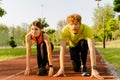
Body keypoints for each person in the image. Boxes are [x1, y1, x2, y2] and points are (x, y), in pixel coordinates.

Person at [53, 14, 104, 80]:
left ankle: (84, 65)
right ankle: (78, 64)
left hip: (82, 45)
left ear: (80, 23)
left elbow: (92, 48)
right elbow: (62, 49)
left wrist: (93, 68)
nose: (74, 27)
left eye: (76, 24)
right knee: (76, 69)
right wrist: (61, 68)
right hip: (73, 46)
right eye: (71, 24)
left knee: (83, 42)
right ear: (68, 24)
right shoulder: (65, 30)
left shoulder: (87, 29)